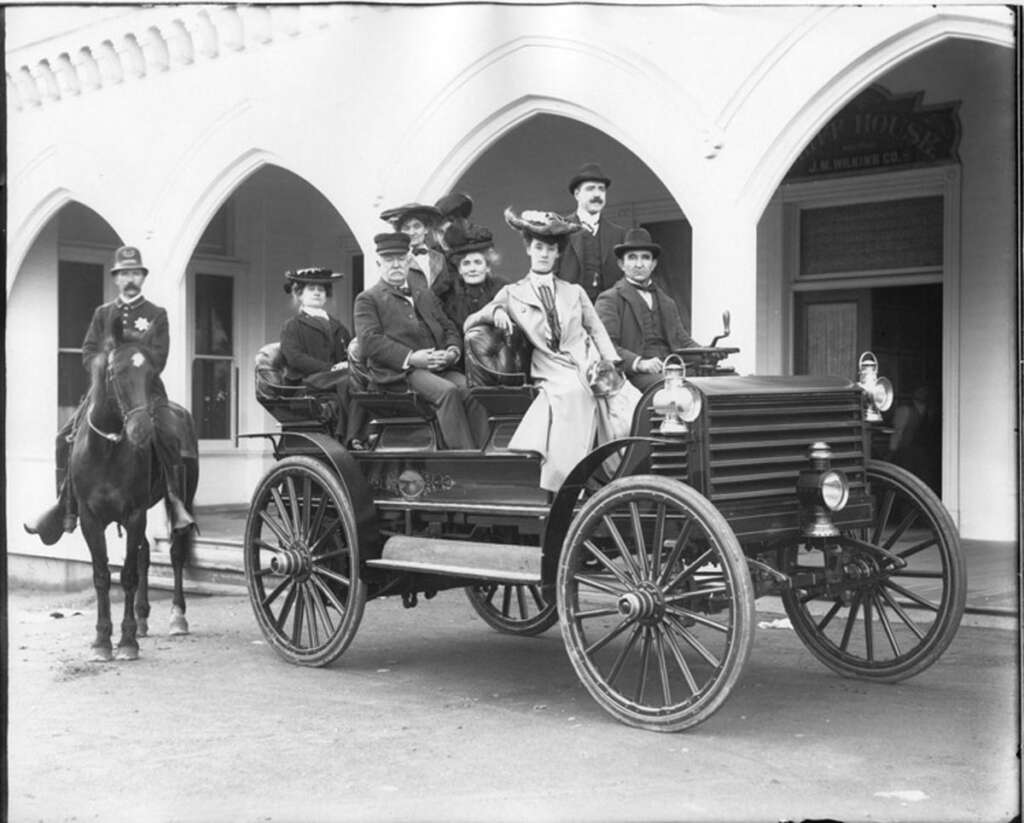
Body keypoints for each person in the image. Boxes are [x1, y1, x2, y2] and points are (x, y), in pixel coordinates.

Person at [24, 245, 194, 544]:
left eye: (135, 273)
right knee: (64, 437)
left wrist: (134, 363)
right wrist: (100, 365)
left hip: (145, 391)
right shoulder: (103, 314)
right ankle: (66, 505)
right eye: (124, 273)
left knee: (169, 434)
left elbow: (160, 355)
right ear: (116, 278)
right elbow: (88, 350)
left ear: (142, 277)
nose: (130, 278)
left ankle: (174, 500)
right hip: (105, 391)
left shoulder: (156, 315)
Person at [465, 208, 631, 492]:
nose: (544, 254)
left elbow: (597, 329)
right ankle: (571, 481)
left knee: (630, 401)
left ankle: (621, 474)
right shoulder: (512, 292)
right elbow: (469, 322)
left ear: (557, 255)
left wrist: (612, 361)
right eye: (538, 247)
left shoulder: (574, 291)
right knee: (573, 394)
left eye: (550, 249)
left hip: (587, 360)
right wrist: (493, 312)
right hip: (551, 367)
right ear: (529, 250)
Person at [353, 232, 489, 450]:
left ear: (409, 262)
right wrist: (412, 358)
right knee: (448, 392)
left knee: (473, 390)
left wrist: (452, 352)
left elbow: (449, 327)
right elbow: (370, 341)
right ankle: (465, 460)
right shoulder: (368, 299)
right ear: (379, 263)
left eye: (400, 259)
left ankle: (485, 454)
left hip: (437, 368)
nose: (396, 265)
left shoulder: (424, 294)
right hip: (397, 375)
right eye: (389, 260)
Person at [595, 227, 701, 391]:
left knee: (725, 381)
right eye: (632, 258)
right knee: (674, 388)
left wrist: (707, 354)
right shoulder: (610, 300)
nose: (639, 264)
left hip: (671, 369)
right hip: (634, 375)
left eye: (645, 258)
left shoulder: (667, 302)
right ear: (621, 264)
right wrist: (639, 363)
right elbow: (606, 346)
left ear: (653, 264)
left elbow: (683, 341)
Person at [279, 267, 364, 448]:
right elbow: (295, 358)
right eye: (311, 289)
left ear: (327, 294)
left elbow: (348, 354)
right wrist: (330, 368)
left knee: (359, 378)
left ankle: (360, 434)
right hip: (307, 382)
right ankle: (352, 437)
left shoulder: (338, 327)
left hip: (336, 379)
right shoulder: (292, 326)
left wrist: (343, 365)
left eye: (322, 289)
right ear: (300, 294)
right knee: (349, 379)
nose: (317, 292)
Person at [556, 162, 627, 302]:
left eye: (601, 189)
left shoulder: (619, 235)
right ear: (577, 194)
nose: (597, 194)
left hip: (608, 315)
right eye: (590, 189)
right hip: (570, 313)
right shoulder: (559, 230)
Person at [433, 220, 507, 332]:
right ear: (459, 269)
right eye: (466, 263)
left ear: (487, 267)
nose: (472, 269)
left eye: (478, 262)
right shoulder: (447, 295)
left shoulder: (502, 289)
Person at [379, 202, 447, 291]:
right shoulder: (396, 260)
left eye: (417, 226)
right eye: (406, 228)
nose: (412, 232)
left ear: (426, 229)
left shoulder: (439, 258)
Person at [887, 385, 941, 492]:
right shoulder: (905, 410)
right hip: (908, 453)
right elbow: (897, 433)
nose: (923, 393)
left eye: (925, 391)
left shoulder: (932, 412)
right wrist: (891, 452)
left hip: (925, 455)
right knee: (907, 484)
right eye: (920, 390)